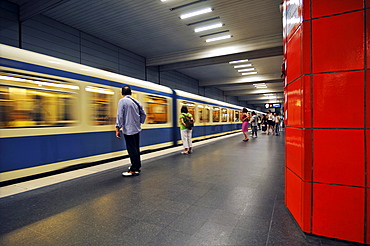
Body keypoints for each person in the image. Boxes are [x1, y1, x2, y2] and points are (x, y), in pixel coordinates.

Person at [115, 85, 146, 177]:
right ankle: (137, 167)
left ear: (122, 93)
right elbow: (143, 114)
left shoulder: (122, 101)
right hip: (136, 128)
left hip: (128, 129)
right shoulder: (136, 101)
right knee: (136, 148)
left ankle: (133, 169)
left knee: (131, 149)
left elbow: (120, 115)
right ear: (131, 93)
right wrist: (139, 122)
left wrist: (117, 128)